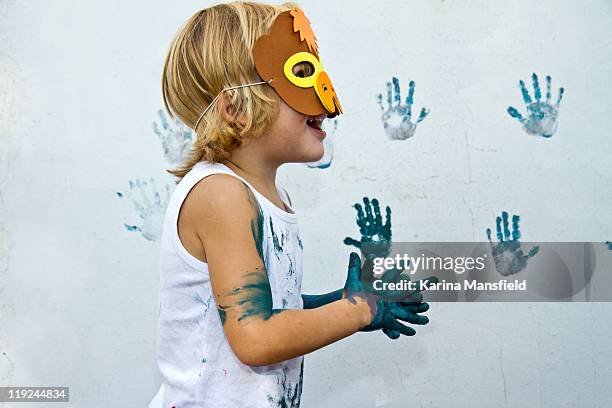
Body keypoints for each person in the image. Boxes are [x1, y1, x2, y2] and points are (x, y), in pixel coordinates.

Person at [149, 2, 434, 407]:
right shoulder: (221, 195)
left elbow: (273, 311)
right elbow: (256, 338)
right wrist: (357, 310)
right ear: (235, 109)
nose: (328, 97)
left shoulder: (266, 197)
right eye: (302, 73)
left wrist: (342, 303)